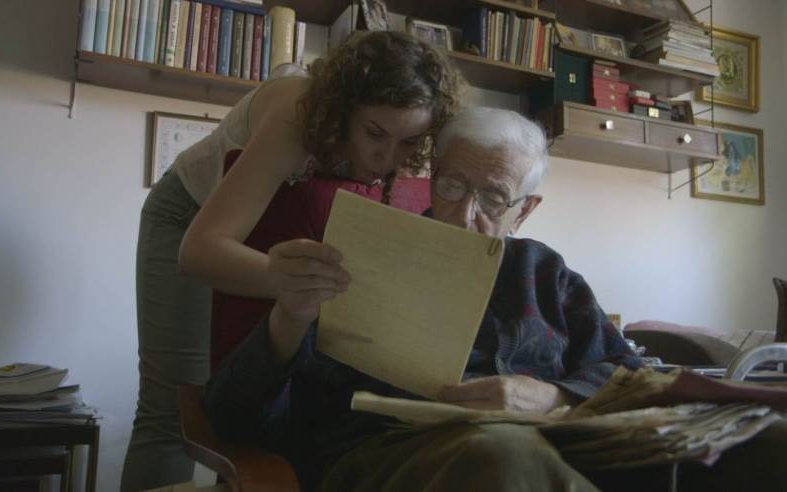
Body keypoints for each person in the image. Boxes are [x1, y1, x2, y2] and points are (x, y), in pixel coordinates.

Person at [202, 107, 644, 492]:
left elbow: (629, 374)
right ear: (433, 179)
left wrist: (554, 397)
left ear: (524, 210)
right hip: (392, 460)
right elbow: (232, 416)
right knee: (504, 452)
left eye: (493, 197)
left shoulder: (545, 273)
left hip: (550, 448)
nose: (465, 214)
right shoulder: (367, 254)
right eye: (453, 186)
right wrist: (288, 319)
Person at [121, 30, 465, 492]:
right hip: (187, 219)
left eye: (408, 143)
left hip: (267, 232)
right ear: (343, 111)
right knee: (173, 409)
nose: (387, 158)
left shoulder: (400, 145)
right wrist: (291, 285)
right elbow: (201, 249)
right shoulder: (297, 112)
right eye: (375, 134)